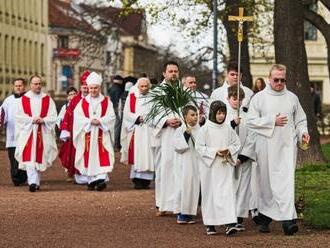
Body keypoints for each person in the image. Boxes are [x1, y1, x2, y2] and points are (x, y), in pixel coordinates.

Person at [246, 64, 310, 235]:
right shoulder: (259, 98)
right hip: (266, 148)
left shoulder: (292, 98)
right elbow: (250, 121)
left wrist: (303, 133)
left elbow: (300, 121)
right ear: (269, 79)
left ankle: (288, 222)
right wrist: (271, 121)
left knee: (286, 183)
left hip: (287, 149)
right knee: (266, 185)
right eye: (276, 80)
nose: (280, 82)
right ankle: (265, 219)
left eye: (283, 80)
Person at [196, 101, 241, 236]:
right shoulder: (205, 129)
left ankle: (230, 223)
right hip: (210, 168)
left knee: (227, 194)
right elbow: (199, 147)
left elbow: (236, 143)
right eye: (219, 113)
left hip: (225, 166)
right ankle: (211, 223)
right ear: (213, 113)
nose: (221, 116)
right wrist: (215, 151)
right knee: (211, 194)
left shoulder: (228, 128)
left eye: (223, 113)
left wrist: (229, 150)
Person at [73, 72, 116, 191]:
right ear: (88, 88)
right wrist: (90, 121)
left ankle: (101, 179)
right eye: (91, 88)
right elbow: (78, 117)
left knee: (102, 155)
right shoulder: (82, 103)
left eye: (95, 88)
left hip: (102, 133)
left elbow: (111, 117)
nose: (93, 90)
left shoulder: (107, 101)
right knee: (89, 156)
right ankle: (92, 180)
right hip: (88, 133)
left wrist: (101, 121)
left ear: (99, 88)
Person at [15, 75, 58, 192]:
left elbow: (53, 116)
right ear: (30, 85)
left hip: (42, 132)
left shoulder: (47, 99)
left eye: (40, 84)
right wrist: (32, 119)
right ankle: (32, 182)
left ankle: (36, 181)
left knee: (40, 158)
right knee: (30, 158)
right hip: (28, 132)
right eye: (35, 84)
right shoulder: (24, 99)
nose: (38, 86)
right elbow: (18, 116)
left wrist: (43, 120)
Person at [225, 85, 258, 230]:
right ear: (228, 98)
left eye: (239, 99)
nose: (236, 102)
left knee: (243, 188)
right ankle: (227, 217)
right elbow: (219, 134)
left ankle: (238, 218)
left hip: (243, 158)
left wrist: (242, 157)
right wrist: (232, 124)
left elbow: (252, 137)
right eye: (234, 99)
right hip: (227, 159)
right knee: (229, 187)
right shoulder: (222, 115)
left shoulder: (247, 116)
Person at [154, 61, 182, 215]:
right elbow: (150, 115)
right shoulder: (157, 92)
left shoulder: (183, 91)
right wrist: (165, 121)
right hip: (164, 136)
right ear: (164, 73)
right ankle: (162, 204)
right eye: (170, 71)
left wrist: (182, 120)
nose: (173, 74)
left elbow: (190, 111)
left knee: (180, 170)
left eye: (175, 71)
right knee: (164, 169)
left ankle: (178, 204)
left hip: (180, 134)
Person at [121, 77, 155, 189]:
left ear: (149, 86)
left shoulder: (154, 97)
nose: (144, 88)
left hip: (149, 130)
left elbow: (157, 112)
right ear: (138, 86)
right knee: (138, 152)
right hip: (137, 129)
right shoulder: (132, 97)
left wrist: (149, 118)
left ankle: (147, 180)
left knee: (148, 153)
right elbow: (127, 113)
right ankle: (137, 179)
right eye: (142, 86)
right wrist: (137, 118)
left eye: (146, 86)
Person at [59, 71, 90, 184]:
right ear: (81, 87)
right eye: (84, 87)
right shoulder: (75, 100)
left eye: (87, 86)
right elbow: (68, 114)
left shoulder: (94, 99)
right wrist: (66, 130)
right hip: (76, 132)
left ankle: (89, 174)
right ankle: (78, 174)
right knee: (76, 153)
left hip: (90, 132)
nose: (86, 89)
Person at [173, 105, 200, 224]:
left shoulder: (201, 129)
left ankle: (189, 212)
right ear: (185, 117)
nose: (195, 117)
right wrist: (186, 135)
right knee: (183, 186)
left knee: (193, 187)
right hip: (184, 163)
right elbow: (178, 147)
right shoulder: (180, 129)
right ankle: (182, 213)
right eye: (192, 115)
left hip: (196, 163)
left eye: (196, 115)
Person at [0, 78, 27, 186]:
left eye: (20, 85)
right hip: (12, 134)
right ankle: (15, 178)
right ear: (13, 87)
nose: (18, 87)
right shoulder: (8, 100)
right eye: (16, 86)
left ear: (24, 86)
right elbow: (2, 114)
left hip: (25, 133)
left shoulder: (28, 98)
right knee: (13, 158)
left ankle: (23, 176)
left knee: (24, 157)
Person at [108, 75, 124, 151]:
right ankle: (115, 145)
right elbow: (118, 100)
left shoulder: (111, 87)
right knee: (117, 126)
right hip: (116, 108)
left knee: (114, 126)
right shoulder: (118, 89)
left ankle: (113, 143)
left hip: (111, 107)